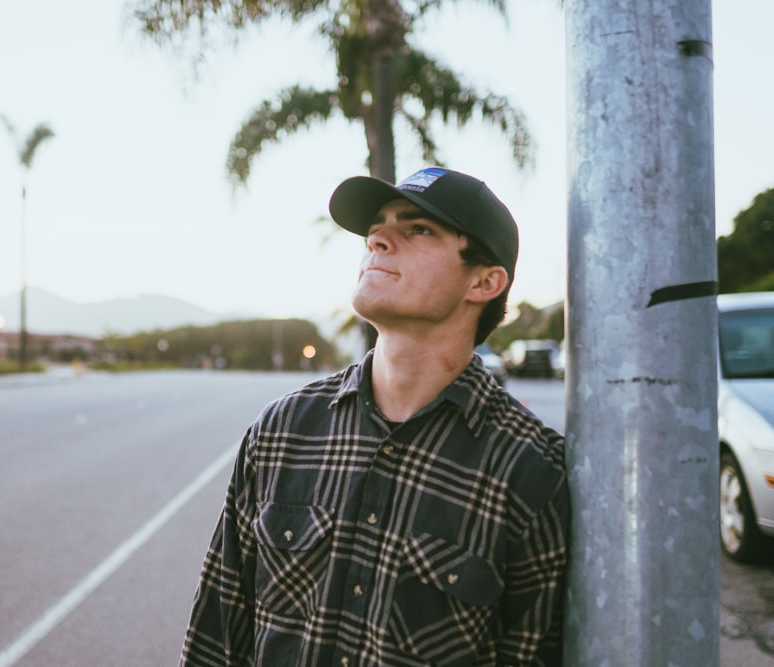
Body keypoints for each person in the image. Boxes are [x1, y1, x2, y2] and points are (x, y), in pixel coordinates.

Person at [180, 167, 569, 666]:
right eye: (376, 230)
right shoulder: (282, 433)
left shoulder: (531, 471)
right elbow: (217, 637)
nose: (379, 239)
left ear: (484, 280)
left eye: (418, 229)